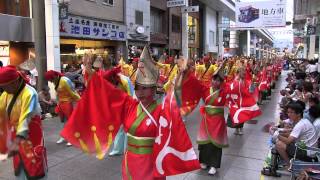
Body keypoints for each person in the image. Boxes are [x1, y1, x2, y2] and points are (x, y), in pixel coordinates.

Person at [60, 46, 200, 180]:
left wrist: (182, 77)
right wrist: (89, 70)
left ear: (154, 89)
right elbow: (103, 88)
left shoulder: (161, 110)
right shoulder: (129, 105)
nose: (140, 93)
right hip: (130, 161)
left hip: (151, 162)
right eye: (138, 88)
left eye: (145, 88)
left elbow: (175, 100)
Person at [0, 65, 47, 179]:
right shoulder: (6, 94)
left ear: (14, 82)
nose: (3, 90)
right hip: (17, 136)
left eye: (5, 87)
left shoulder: (30, 93)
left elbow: (26, 118)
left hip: (31, 135)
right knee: (20, 167)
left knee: (35, 167)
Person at [275, 102, 318, 167]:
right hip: (307, 149)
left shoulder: (300, 125)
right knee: (281, 140)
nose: (289, 114)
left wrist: (276, 134)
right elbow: (291, 134)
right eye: (288, 112)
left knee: (279, 144)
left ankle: (289, 165)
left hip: (308, 153)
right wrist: (279, 132)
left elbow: (288, 141)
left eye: (291, 112)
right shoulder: (303, 121)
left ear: (299, 114)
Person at [44, 70, 80, 146]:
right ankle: (64, 136)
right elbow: (58, 93)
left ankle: (72, 138)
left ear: (54, 77)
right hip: (61, 103)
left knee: (70, 121)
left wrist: (80, 101)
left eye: (50, 79)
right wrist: (57, 103)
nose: (50, 82)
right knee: (63, 121)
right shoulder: (56, 81)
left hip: (68, 103)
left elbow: (72, 92)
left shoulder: (64, 81)